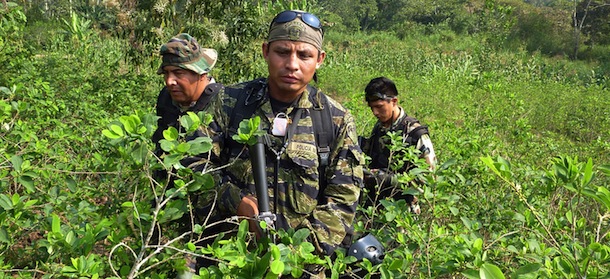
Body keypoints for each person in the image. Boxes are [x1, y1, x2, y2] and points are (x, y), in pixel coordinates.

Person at [202, 10, 364, 278]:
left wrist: (293, 257)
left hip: (302, 266)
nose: (292, 64)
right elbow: (196, 167)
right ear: (266, 51)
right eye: (282, 52)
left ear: (319, 59)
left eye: (304, 55)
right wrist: (236, 201)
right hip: (231, 262)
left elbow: (343, 201)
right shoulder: (230, 103)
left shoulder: (336, 120)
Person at [360, 77, 437, 214]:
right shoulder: (379, 128)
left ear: (394, 101)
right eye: (372, 108)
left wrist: (391, 180)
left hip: (403, 212)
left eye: (379, 107)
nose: (375, 113)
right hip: (376, 207)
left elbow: (430, 177)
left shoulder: (415, 134)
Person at [152, 33, 223, 149]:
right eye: (166, 73)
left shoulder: (224, 104)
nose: (170, 81)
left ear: (202, 74)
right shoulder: (166, 98)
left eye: (178, 73)